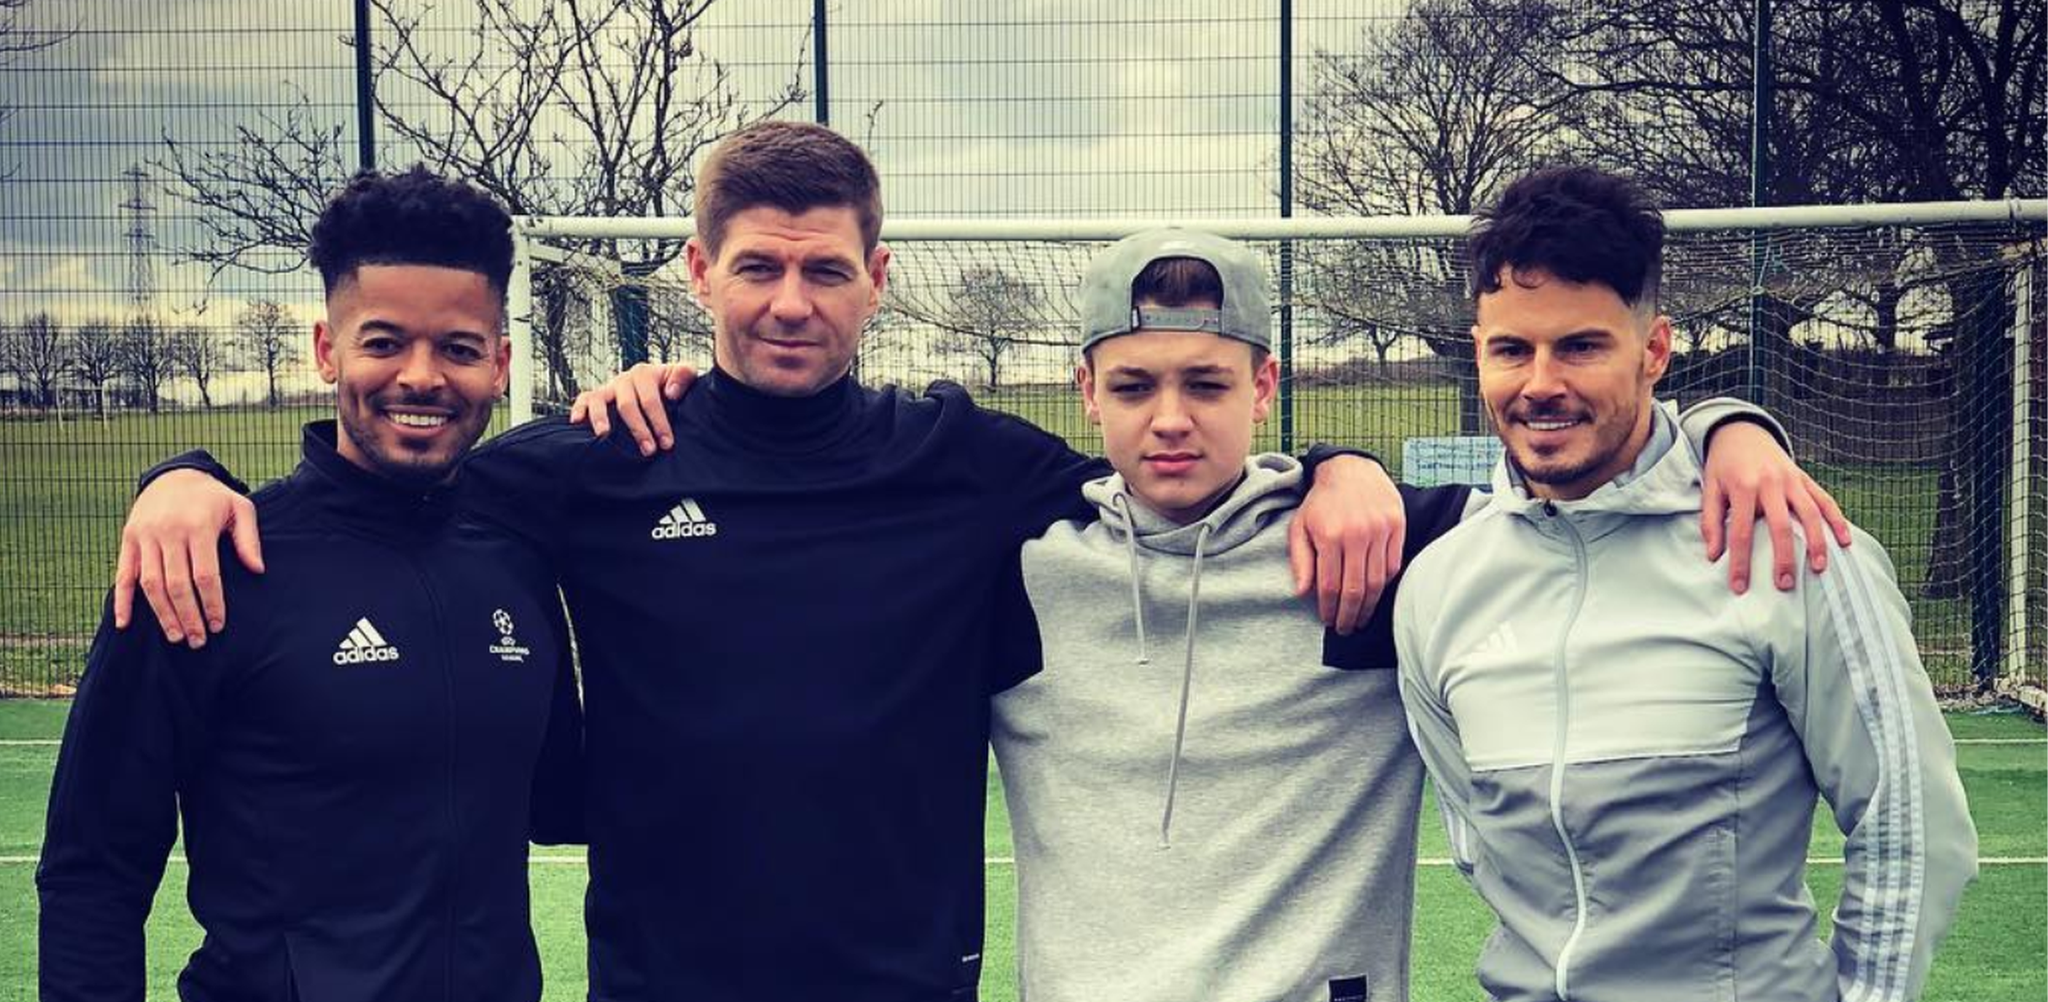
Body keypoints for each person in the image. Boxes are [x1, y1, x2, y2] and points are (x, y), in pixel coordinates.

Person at [117, 123, 1841, 1001]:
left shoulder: (971, 465)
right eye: (756, 266)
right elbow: (385, 489)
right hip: (665, 978)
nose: (789, 299)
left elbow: (1268, 460)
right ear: (700, 275)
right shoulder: (586, 464)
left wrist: (1718, 419)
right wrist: (190, 471)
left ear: (878, 282)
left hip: (905, 981)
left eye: (825, 269)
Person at [984, 228, 1814, 1002]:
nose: (1171, 417)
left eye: (1207, 383)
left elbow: (1579, 487)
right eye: (1134, 385)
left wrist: (1724, 428)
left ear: (1265, 386)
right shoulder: (1013, 567)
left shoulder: (1385, 551)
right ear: (1088, 392)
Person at [1394, 166, 1977, 1002]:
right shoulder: (1440, 586)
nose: (1541, 383)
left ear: (1654, 351)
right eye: (1511, 349)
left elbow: (1912, 829)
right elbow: (1477, 841)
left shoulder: (1792, 546)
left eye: (1582, 346)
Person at [38, 167, 582, 1002]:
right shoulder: (207, 565)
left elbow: (560, 805)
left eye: (459, 348)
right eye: (385, 341)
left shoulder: (514, 556)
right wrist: (176, 474)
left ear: (501, 363)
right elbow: (92, 869)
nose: (422, 376)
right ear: (328, 349)